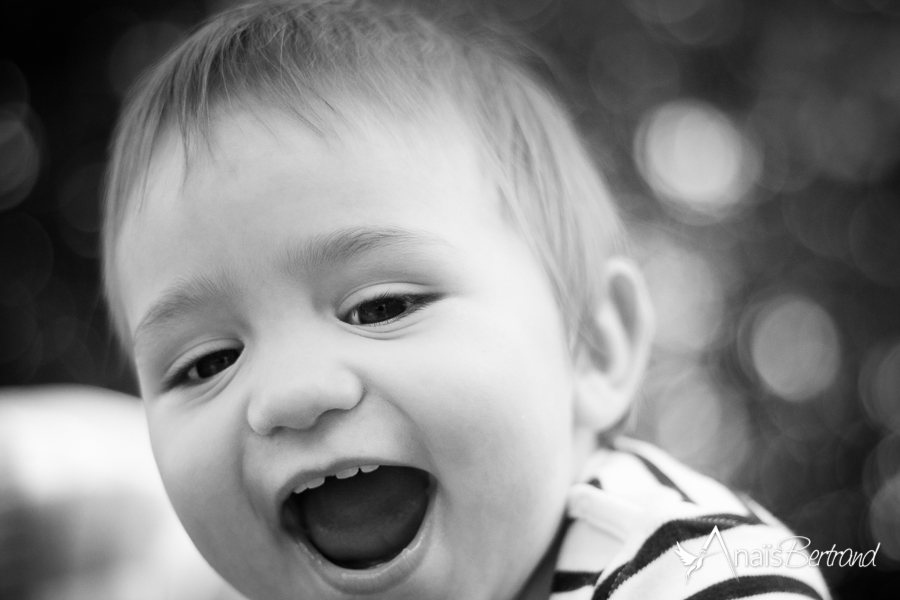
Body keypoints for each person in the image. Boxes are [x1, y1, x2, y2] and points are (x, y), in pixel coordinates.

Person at [100, 1, 831, 599]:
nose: (287, 396)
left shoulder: (691, 564)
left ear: (592, 345)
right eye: (207, 362)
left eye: (381, 307)